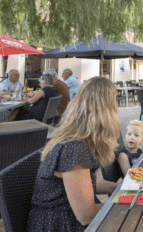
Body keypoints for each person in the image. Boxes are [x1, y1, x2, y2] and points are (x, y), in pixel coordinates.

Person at [26, 76, 119, 232]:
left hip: (59, 218)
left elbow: (84, 182)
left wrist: (118, 189)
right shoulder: (74, 148)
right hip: (59, 224)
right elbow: (86, 216)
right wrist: (125, 203)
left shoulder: (73, 138)